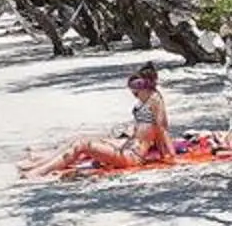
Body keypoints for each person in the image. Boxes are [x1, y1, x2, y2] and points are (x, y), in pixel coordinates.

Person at [23, 64, 173, 177]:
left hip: (132, 156)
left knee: (82, 145)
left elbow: (162, 129)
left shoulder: (155, 100)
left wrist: (171, 156)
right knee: (79, 138)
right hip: (128, 147)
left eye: (135, 92)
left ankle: (40, 171)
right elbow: (144, 131)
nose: (134, 95)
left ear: (144, 88)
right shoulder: (147, 101)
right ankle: (41, 163)